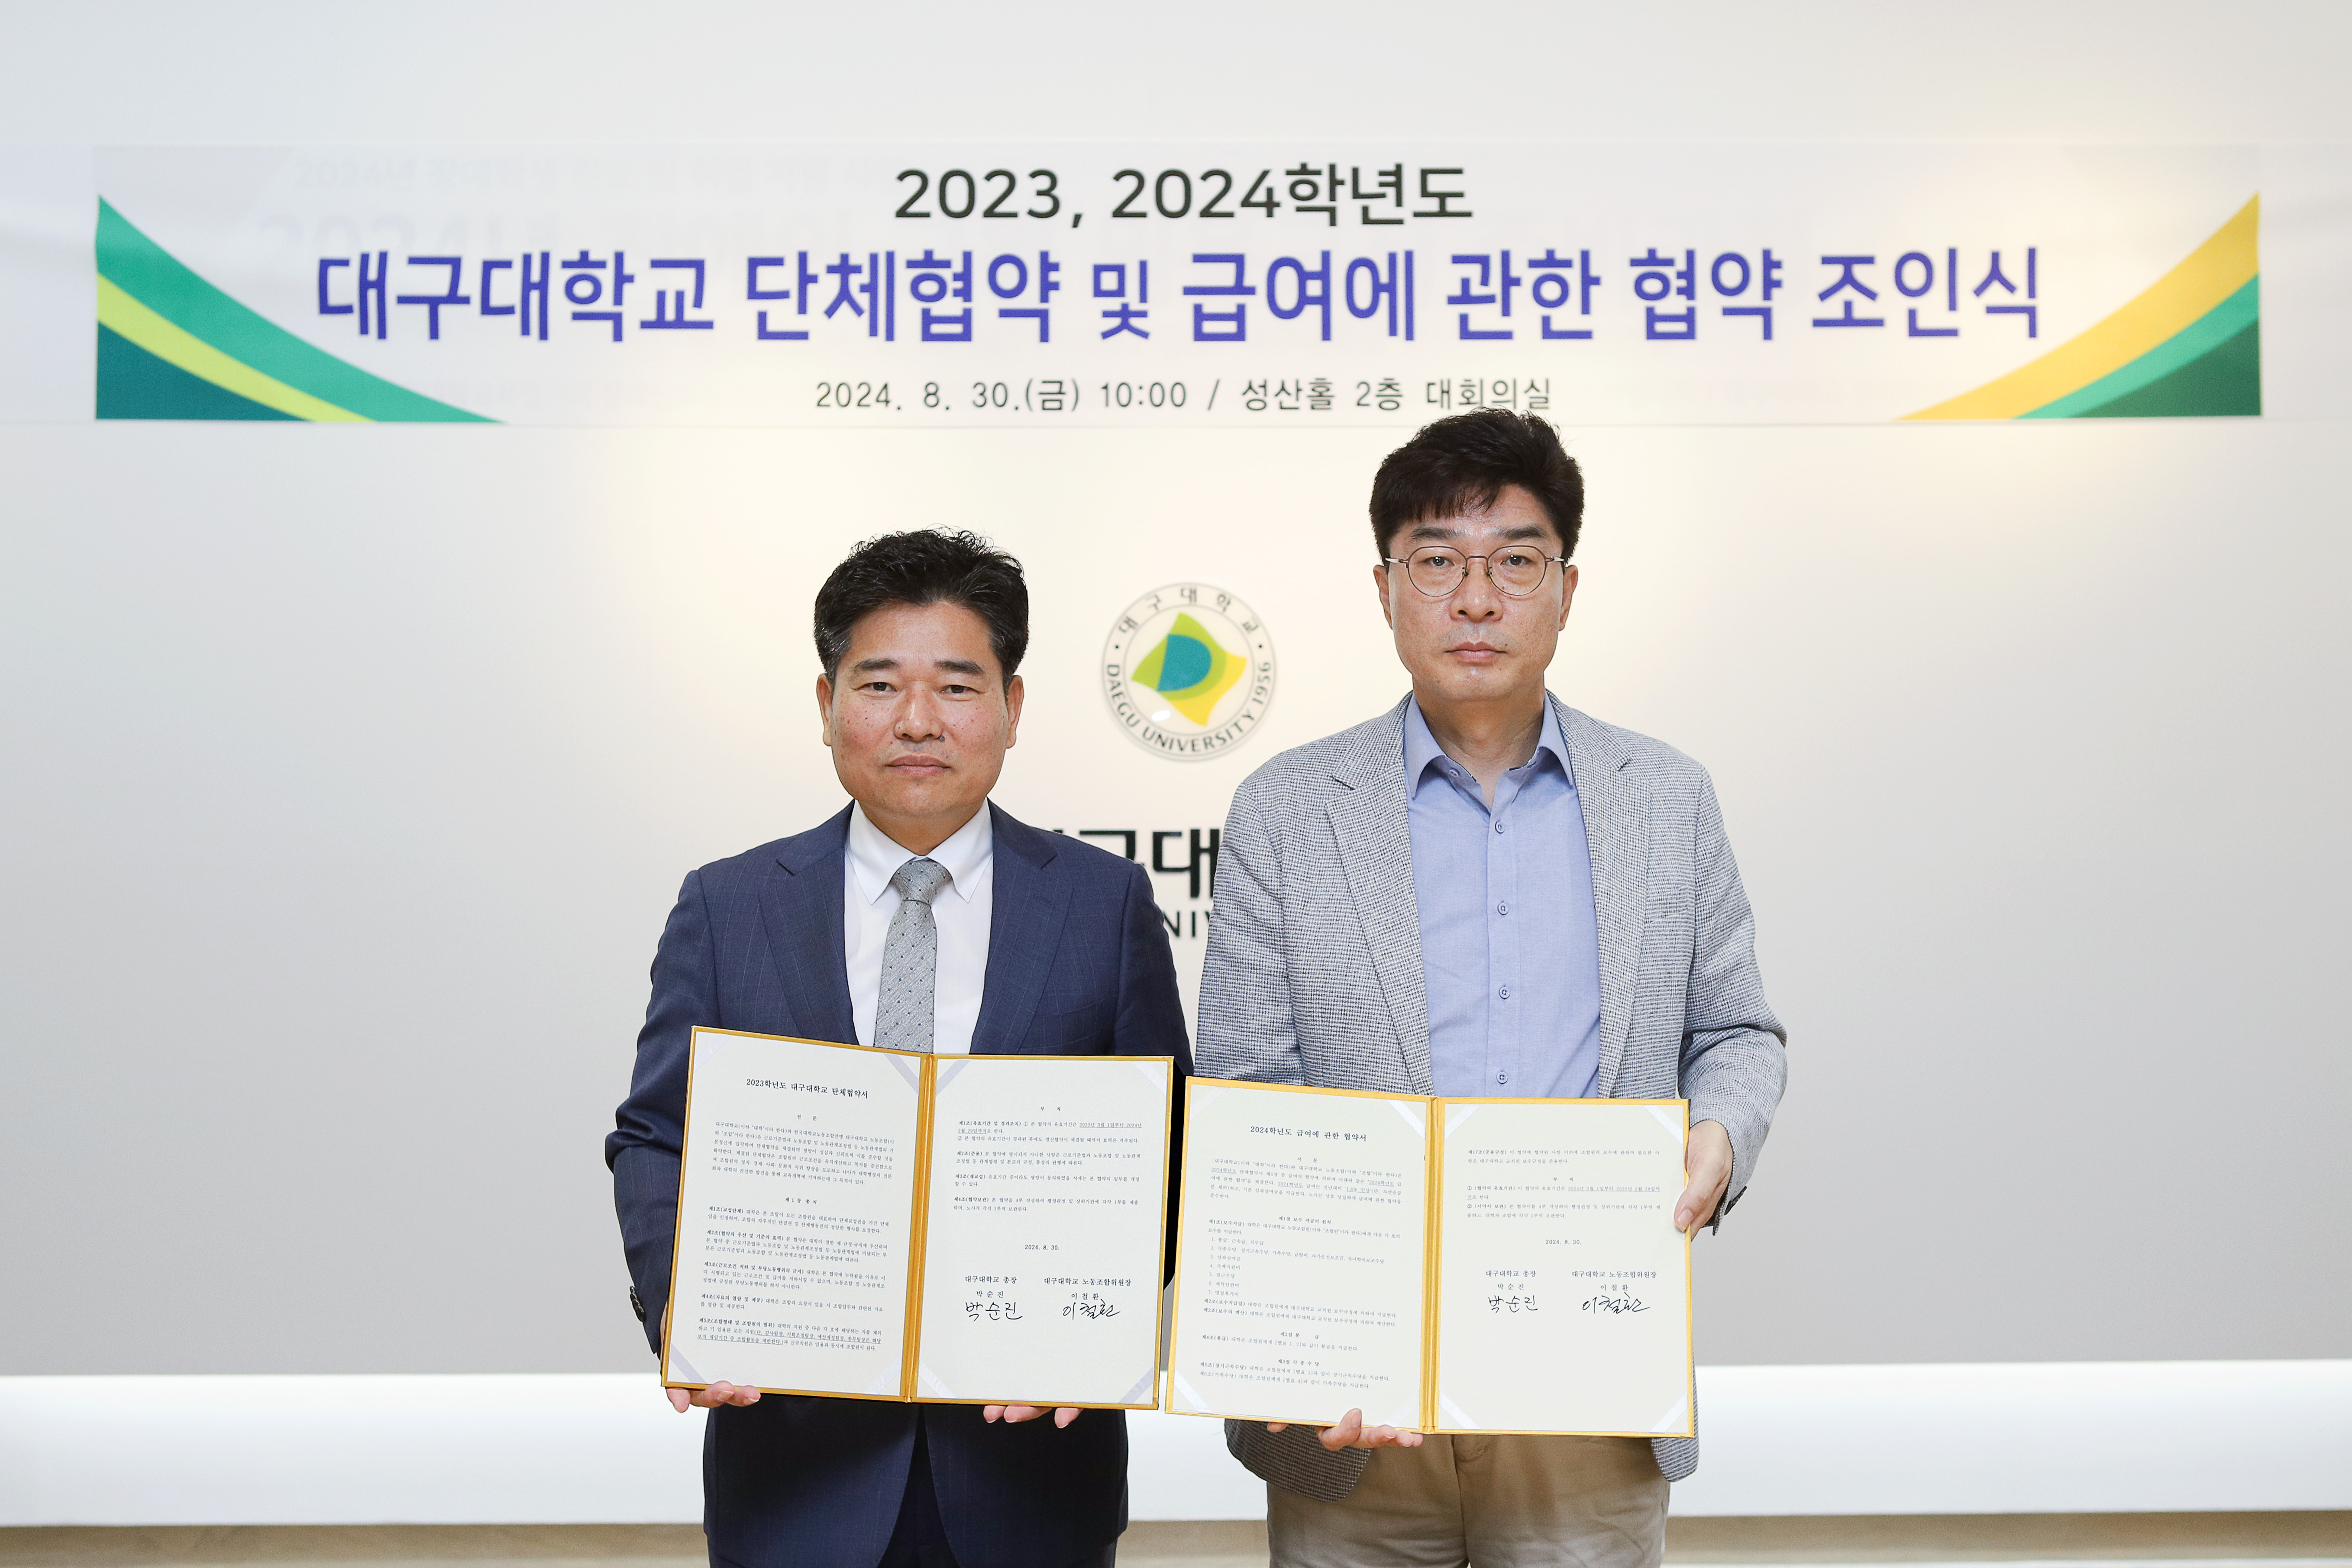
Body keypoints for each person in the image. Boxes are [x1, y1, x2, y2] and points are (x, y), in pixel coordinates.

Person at [1197, 410, 1787, 1568]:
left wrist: (1720, 1133)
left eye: (1516, 560)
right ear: (1385, 589)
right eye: (1437, 561)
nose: (1476, 598)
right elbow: (1246, 1087)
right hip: (1355, 1398)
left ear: (1566, 589)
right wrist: (1299, 1327)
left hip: (1589, 1392)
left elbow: (1736, 1030)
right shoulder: (1287, 805)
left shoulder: (1665, 795)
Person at [607, 529, 1192, 1568]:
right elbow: (657, 1136)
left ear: (1012, 707)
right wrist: (686, 1309)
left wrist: (1089, 1328)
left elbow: (1170, 1150)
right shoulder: (729, 905)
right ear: (826, 702)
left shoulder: (1101, 904)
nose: (917, 719)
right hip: (793, 1469)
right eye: (879, 684)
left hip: (1030, 1476)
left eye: (957, 686)